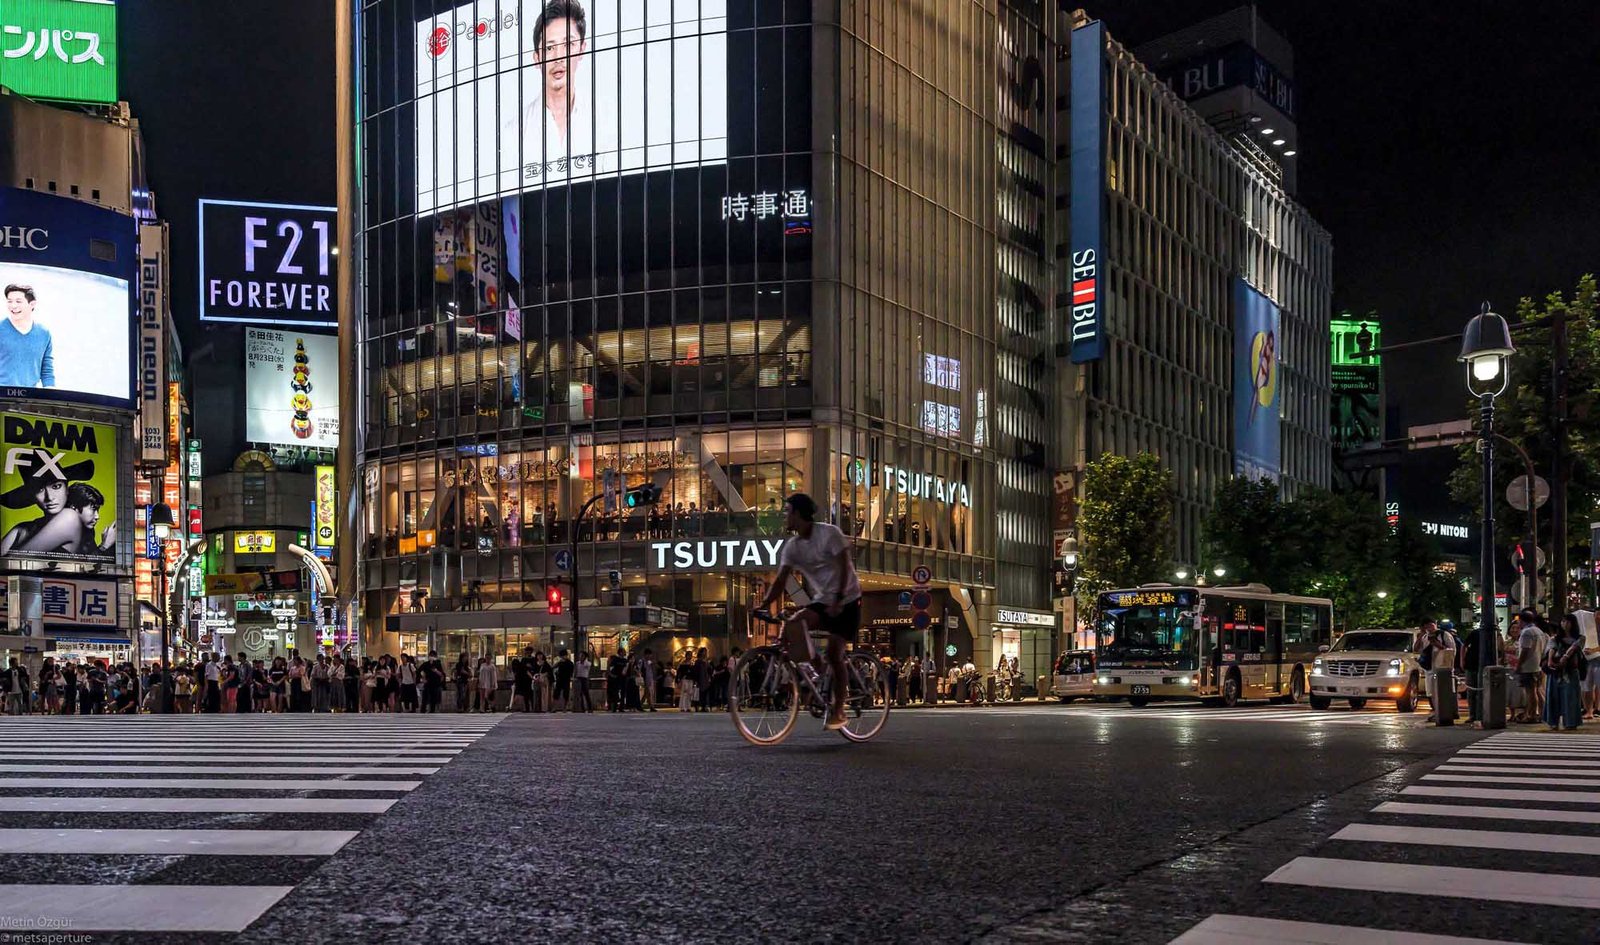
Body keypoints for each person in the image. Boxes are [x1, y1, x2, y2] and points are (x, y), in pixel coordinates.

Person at [757, 492, 863, 729]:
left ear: (798, 514)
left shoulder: (829, 534)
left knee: (835, 653)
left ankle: (839, 710)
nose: (785, 516)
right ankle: (818, 670)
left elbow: (846, 565)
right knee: (794, 623)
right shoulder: (793, 546)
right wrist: (764, 603)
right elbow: (781, 580)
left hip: (848, 599)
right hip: (822, 600)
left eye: (787, 511)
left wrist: (838, 599)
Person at [507, 0, 593, 171]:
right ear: (537, 58)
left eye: (568, 45)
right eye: (549, 48)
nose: (558, 57)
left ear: (582, 49)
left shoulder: (604, 117)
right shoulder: (514, 131)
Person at [0, 283, 54, 389]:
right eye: (9, 301)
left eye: (18, 301)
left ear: (32, 304)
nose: (13, 306)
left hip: (30, 398)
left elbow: (46, 367)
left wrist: (50, 389)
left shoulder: (44, 333)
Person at [1545, 614, 1586, 731]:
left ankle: (1571, 721)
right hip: (1556, 671)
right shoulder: (1554, 638)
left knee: (1571, 697)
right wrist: (1550, 660)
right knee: (1553, 696)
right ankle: (1553, 721)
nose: (1565, 624)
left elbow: (1575, 647)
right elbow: (1551, 648)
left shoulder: (1580, 637)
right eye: (1563, 622)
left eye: (1568, 622)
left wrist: (1565, 657)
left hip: (1571, 670)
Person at [1515, 610, 1548, 724]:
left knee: (1530, 692)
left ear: (1522, 620)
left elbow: (1525, 650)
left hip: (1528, 666)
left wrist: (1519, 665)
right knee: (1537, 691)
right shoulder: (1539, 631)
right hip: (1537, 665)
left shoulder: (1527, 632)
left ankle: (1532, 715)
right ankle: (1542, 713)